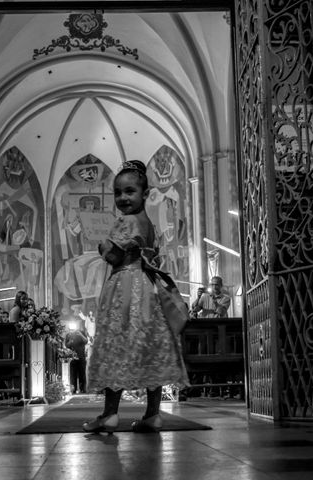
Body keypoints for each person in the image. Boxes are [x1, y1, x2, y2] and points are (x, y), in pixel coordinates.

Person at [84, 160, 189, 434]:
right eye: (118, 193)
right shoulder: (148, 222)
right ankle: (152, 414)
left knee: (116, 343)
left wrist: (102, 246)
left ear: (145, 193)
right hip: (148, 288)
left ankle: (109, 414)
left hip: (126, 285)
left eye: (129, 191)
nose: (122, 198)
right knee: (150, 344)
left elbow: (115, 255)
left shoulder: (126, 221)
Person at [64, 322, 88, 394]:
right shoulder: (68, 335)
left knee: (82, 374)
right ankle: (73, 389)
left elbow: (86, 341)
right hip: (72, 357)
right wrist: (70, 342)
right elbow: (66, 345)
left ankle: (83, 389)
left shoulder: (81, 332)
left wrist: (80, 335)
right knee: (73, 374)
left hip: (81, 356)